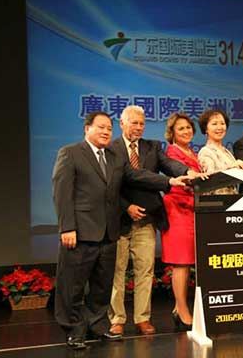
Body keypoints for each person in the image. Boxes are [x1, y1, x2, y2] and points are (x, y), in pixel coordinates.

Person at [52, 111, 188, 350]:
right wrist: (67, 227)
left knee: (102, 285)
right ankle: (73, 330)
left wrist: (169, 181)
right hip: (81, 232)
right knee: (73, 285)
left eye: (109, 128)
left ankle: (97, 326)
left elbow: (136, 175)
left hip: (109, 231)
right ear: (87, 129)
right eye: (101, 127)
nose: (106, 132)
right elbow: (62, 194)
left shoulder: (113, 157)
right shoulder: (71, 153)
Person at [108, 106, 197, 337]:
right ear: (122, 123)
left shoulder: (152, 147)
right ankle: (117, 319)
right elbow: (109, 185)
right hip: (120, 218)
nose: (138, 127)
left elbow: (169, 164)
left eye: (142, 123)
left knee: (145, 270)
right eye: (134, 123)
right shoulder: (111, 149)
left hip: (147, 219)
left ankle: (142, 318)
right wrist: (127, 206)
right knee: (117, 271)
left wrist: (187, 170)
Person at [161, 112, 202, 330]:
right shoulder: (171, 152)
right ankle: (183, 311)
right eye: (181, 128)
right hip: (178, 209)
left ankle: (179, 309)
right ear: (172, 133)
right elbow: (181, 178)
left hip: (193, 209)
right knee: (181, 262)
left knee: (188, 262)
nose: (186, 131)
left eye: (188, 127)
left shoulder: (192, 152)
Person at [198, 108, 243, 194]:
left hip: (232, 198)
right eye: (214, 124)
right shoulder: (205, 151)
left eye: (222, 123)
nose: (219, 127)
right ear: (206, 129)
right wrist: (231, 168)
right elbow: (210, 177)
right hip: (216, 200)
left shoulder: (227, 152)